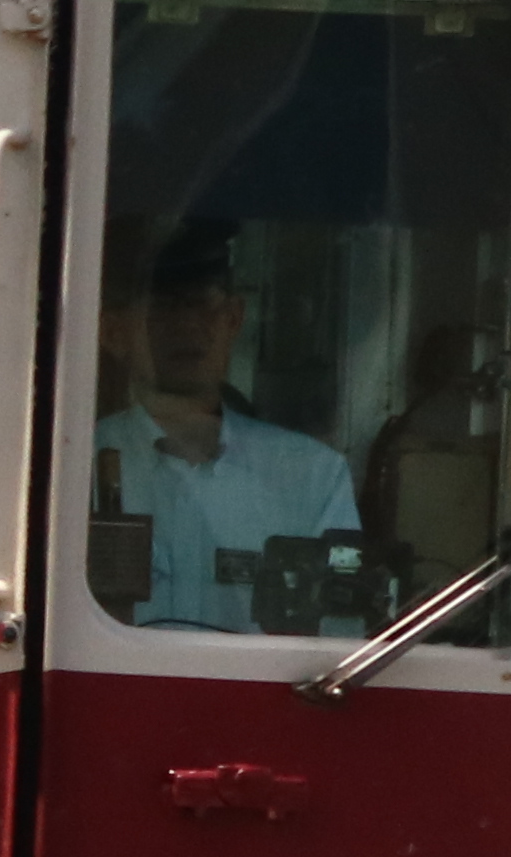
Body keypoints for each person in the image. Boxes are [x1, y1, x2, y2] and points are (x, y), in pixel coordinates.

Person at [92, 223, 357, 630]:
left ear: (234, 318)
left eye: (204, 305)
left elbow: (339, 637)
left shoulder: (312, 475)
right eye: (162, 308)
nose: (188, 326)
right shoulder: (67, 468)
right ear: (113, 332)